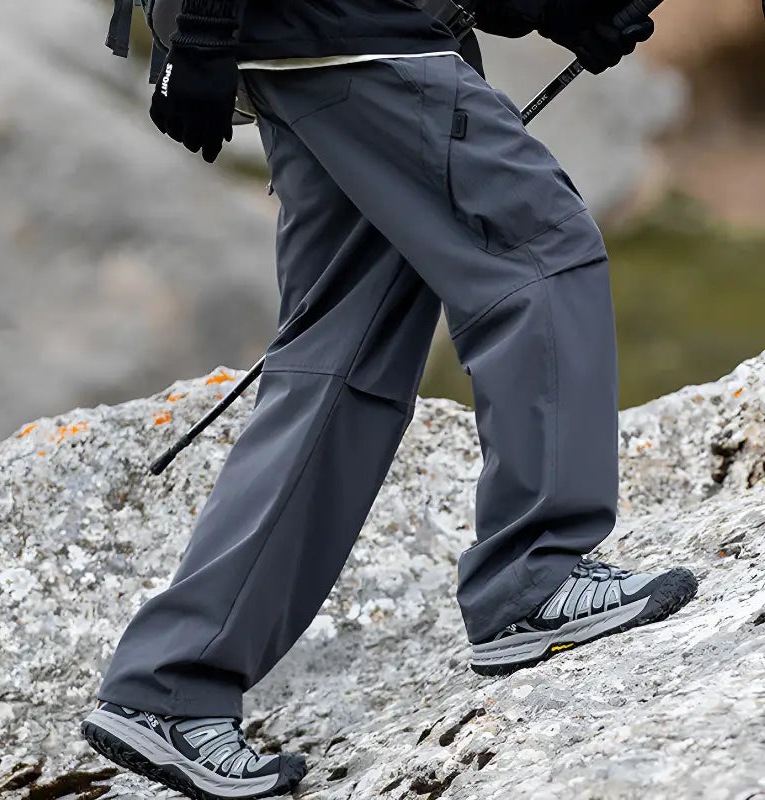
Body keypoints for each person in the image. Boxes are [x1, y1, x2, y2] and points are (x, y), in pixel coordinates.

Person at [81, 0, 698, 797]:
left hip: (330, 38)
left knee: (345, 353)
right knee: (537, 246)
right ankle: (535, 577)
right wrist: (203, 29)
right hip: (347, 29)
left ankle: (171, 685)